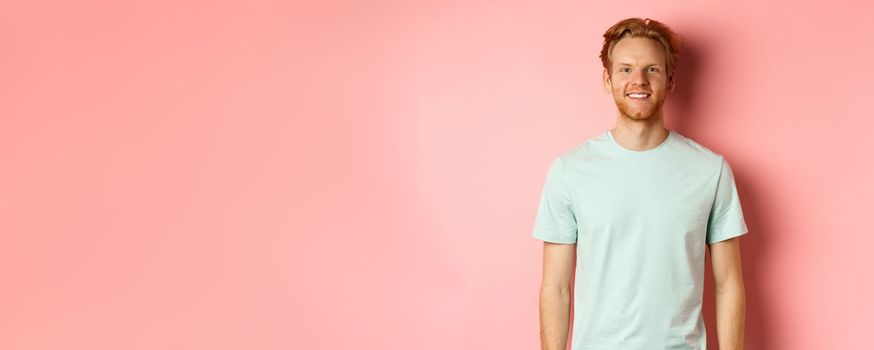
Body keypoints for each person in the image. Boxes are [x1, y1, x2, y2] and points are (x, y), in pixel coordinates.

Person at [532, 17, 747, 350]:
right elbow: (556, 288)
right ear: (608, 79)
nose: (639, 80)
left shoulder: (710, 170)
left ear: (671, 80)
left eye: (652, 69)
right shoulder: (570, 170)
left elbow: (729, 284)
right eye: (625, 69)